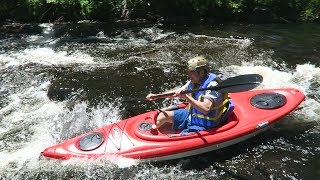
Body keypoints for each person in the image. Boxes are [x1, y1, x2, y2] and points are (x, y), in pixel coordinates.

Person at [146, 56, 234, 133]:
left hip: (205, 125)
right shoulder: (194, 81)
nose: (189, 75)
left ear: (202, 72)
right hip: (191, 116)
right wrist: (157, 96)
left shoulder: (213, 86)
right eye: (189, 72)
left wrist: (186, 97)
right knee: (162, 116)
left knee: (182, 138)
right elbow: (176, 93)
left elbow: (205, 109)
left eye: (192, 72)